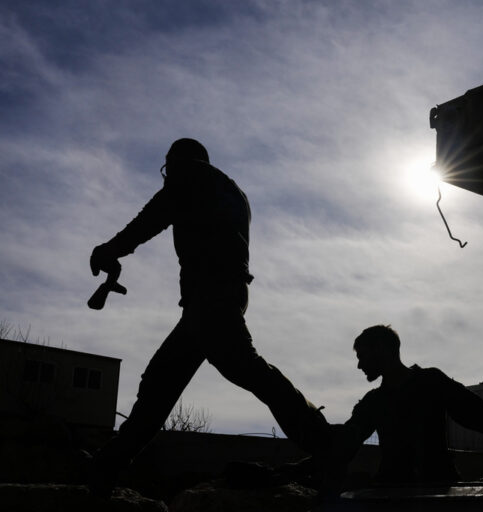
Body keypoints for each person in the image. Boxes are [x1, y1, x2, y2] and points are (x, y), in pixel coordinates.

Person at [87, 138, 329, 495]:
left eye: (169, 168)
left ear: (179, 163)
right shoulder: (230, 189)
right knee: (169, 379)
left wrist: (111, 249)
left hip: (211, 297)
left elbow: (150, 219)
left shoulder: (191, 179)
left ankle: (322, 439)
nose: (167, 177)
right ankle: (108, 464)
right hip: (221, 295)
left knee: (235, 370)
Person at [339, 324, 483, 484]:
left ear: (381, 349)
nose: (359, 365)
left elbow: (479, 416)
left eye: (362, 356)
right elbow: (345, 442)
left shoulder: (430, 382)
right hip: (402, 492)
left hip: (435, 491)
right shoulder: (373, 402)